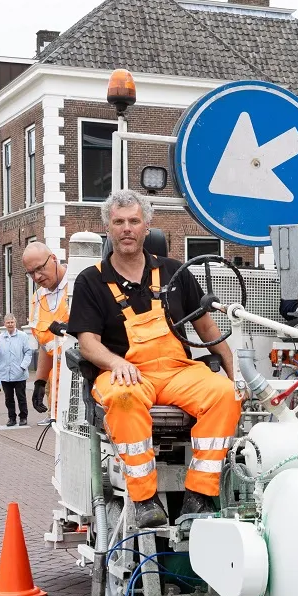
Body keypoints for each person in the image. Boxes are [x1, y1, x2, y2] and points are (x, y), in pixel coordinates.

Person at [66, 189, 242, 527]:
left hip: (178, 371)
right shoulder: (92, 280)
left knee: (223, 394)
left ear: (148, 226)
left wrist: (235, 376)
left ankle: (199, 494)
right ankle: (145, 500)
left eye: (134, 221)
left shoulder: (175, 272)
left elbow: (207, 328)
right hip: (126, 374)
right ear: (109, 229)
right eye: (119, 222)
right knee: (126, 401)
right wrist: (116, 363)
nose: (127, 228)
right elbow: (88, 344)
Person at [23, 241, 71, 419]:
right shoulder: (37, 298)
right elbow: (46, 344)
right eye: (31, 273)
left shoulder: (79, 285)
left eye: (39, 268)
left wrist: (73, 329)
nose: (37, 277)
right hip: (59, 390)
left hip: (82, 384)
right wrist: (40, 381)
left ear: (53, 259)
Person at [0, 313, 38, 427]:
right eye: (8, 323)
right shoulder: (0, 337)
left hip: (19, 373)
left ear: (15, 323)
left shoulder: (23, 336)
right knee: (8, 398)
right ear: (4, 324)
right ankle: (11, 418)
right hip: (5, 373)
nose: (10, 324)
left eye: (12, 322)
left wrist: (23, 366)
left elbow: (28, 352)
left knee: (21, 397)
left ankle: (23, 417)